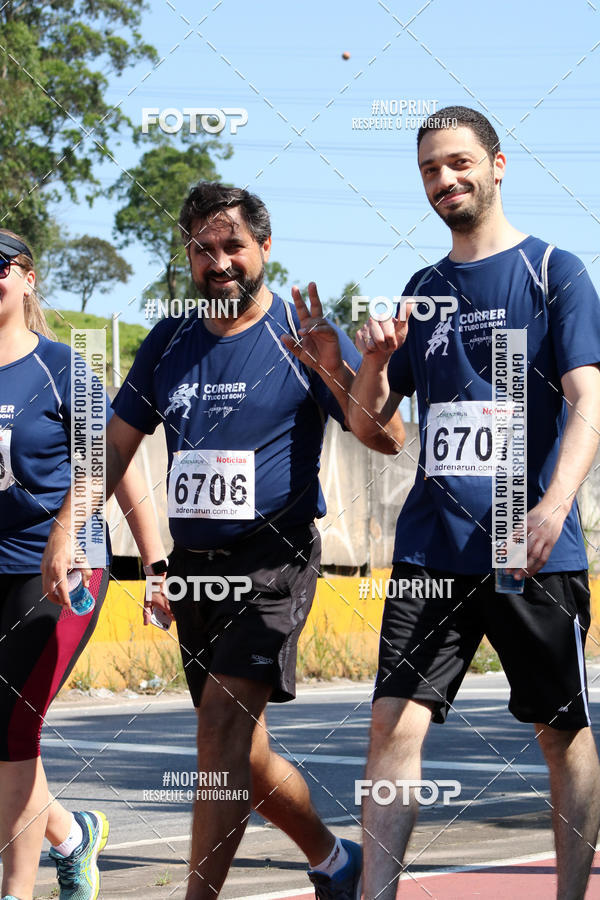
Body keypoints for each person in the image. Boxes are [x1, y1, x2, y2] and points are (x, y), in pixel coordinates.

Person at [42, 183, 402, 899]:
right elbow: (113, 450)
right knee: (244, 752)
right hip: (195, 571)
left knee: (219, 732)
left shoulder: (302, 335)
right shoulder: (170, 341)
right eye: (202, 249)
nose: (219, 262)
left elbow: (385, 437)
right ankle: (335, 860)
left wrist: (342, 369)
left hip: (273, 561)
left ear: (264, 247)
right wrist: (67, 529)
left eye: (233, 245)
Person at [348, 106, 600, 899]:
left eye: (458, 162)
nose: (444, 179)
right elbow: (372, 429)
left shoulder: (554, 271)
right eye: (429, 169)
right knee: (391, 723)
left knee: (561, 733)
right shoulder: (422, 290)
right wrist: (372, 365)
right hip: (433, 549)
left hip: (532, 547)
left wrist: (554, 505)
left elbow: (589, 400)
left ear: (496, 165)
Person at [0, 229, 166, 900]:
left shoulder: (63, 368)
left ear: (27, 278)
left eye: (0, 266)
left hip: (61, 569)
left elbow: (116, 465)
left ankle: (16, 890)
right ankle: (72, 837)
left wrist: (155, 564)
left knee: (14, 727)